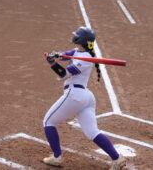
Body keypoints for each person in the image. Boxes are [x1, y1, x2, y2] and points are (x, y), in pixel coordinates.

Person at [43, 27, 126, 170]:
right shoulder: (79, 53)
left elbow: (64, 74)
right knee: (92, 132)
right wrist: (55, 55)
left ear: (79, 39)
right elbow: (65, 55)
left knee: (48, 121)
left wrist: (52, 63)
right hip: (86, 97)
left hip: (74, 96)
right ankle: (117, 159)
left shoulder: (85, 60)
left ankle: (57, 157)